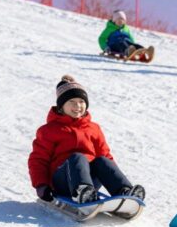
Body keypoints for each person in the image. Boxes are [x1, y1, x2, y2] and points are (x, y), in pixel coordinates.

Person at [28, 75, 145, 204]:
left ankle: (124, 191)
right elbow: (38, 160)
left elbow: (106, 156)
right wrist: (41, 185)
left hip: (91, 182)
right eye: (71, 102)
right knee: (78, 157)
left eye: (81, 101)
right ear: (61, 106)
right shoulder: (48, 130)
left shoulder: (93, 128)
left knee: (102, 160)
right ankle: (82, 191)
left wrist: (114, 178)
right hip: (63, 181)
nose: (77, 105)